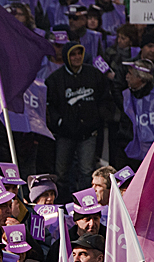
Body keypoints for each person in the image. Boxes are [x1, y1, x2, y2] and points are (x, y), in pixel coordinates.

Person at [46, 42, 111, 196]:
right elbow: (50, 106)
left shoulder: (94, 74)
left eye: (79, 54)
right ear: (66, 57)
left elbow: (105, 99)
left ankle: (85, 203)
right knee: (61, 173)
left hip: (88, 134)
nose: (77, 57)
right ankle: (63, 203)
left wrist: (97, 119)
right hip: (65, 134)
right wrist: (59, 122)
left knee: (86, 171)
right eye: (73, 54)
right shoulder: (55, 79)